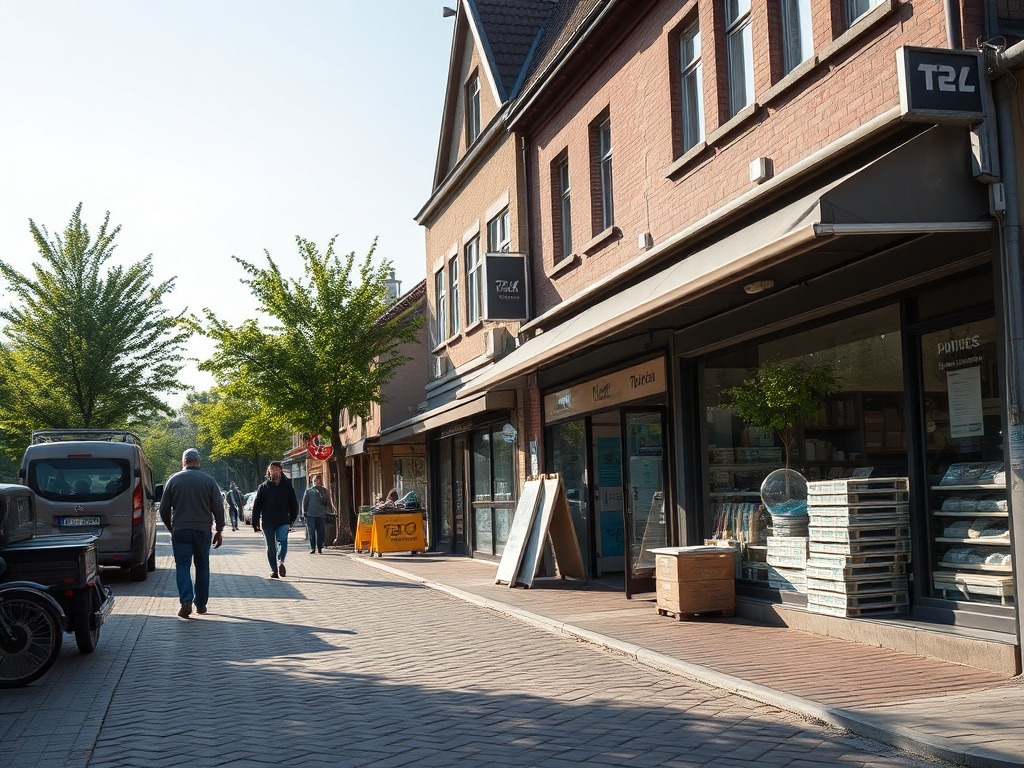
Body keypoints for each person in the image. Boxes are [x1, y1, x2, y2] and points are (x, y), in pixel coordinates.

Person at [159, 448, 225, 618]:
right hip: (203, 530)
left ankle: (186, 601)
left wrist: (170, 527)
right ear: (199, 461)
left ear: (183, 462)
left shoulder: (173, 480)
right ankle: (201, 604)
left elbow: (164, 508)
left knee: (182, 565)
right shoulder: (209, 481)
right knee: (202, 565)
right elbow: (218, 507)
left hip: (180, 529)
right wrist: (219, 529)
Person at [252, 461, 298, 578]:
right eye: (271, 470)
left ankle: (281, 561)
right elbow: (257, 505)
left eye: (276, 470)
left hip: (283, 520)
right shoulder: (263, 487)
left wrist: (292, 519)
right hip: (268, 522)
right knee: (270, 546)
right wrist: (255, 523)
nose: (274, 472)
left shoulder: (287, 486)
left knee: (283, 540)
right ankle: (273, 570)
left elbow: (294, 503)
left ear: (280, 471)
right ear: (269, 472)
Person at [302, 474, 335, 554]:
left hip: (321, 514)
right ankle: (313, 548)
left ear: (320, 481)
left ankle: (319, 547)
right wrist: (304, 513)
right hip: (310, 515)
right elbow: (304, 503)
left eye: (317, 480)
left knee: (321, 532)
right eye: (314, 480)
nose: (315, 482)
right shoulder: (309, 491)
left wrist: (331, 511)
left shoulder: (324, 491)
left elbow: (328, 502)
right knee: (311, 532)